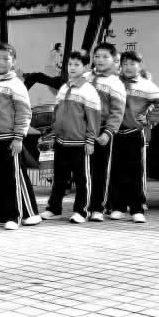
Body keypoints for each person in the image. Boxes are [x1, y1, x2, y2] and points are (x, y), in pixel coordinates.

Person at [0, 43, 41, 230]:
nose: (0, 62)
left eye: (5, 58)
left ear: (13, 62)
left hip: (9, 139)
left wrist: (18, 137)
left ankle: (18, 215)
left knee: (14, 178)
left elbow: (24, 113)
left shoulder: (16, 85)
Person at [107, 51, 159, 223]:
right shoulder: (114, 82)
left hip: (134, 134)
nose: (128, 67)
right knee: (116, 172)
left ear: (140, 66)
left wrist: (150, 120)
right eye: (125, 64)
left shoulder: (146, 85)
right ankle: (118, 207)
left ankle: (137, 209)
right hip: (115, 134)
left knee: (136, 172)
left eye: (132, 64)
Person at [41, 49, 99, 224]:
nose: (72, 68)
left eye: (77, 65)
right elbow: (56, 114)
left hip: (80, 144)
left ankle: (81, 211)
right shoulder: (64, 87)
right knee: (59, 178)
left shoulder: (89, 90)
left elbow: (94, 119)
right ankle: (54, 209)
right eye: (70, 64)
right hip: (61, 142)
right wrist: (53, 134)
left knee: (82, 179)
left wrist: (90, 140)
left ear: (86, 67)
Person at [86, 43, 126, 221]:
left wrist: (108, 133)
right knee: (85, 171)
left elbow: (117, 111)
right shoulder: (85, 78)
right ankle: (83, 206)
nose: (100, 60)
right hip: (83, 131)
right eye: (97, 56)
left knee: (101, 172)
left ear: (113, 60)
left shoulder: (115, 83)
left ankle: (98, 208)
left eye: (105, 57)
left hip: (102, 132)